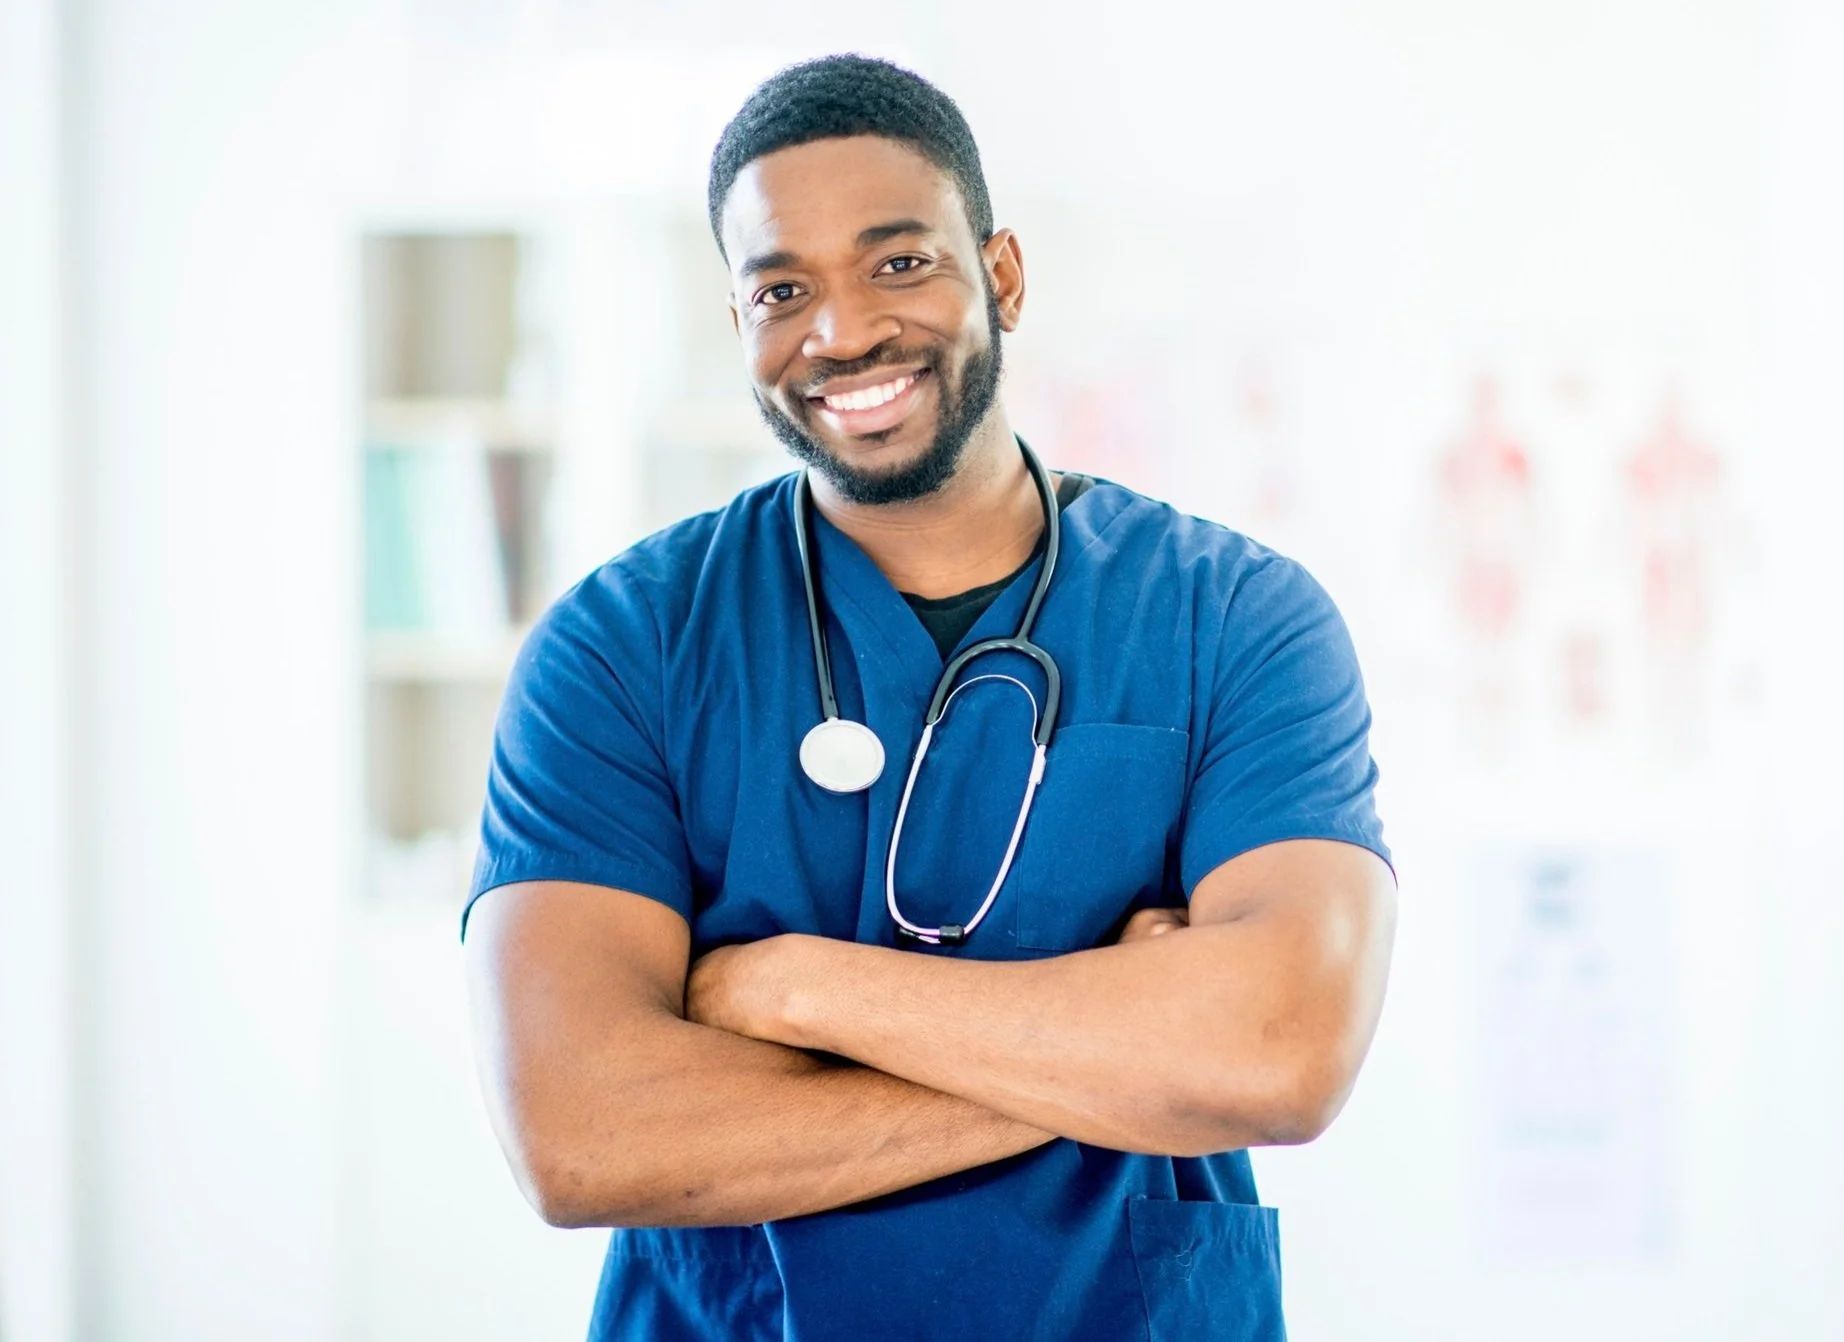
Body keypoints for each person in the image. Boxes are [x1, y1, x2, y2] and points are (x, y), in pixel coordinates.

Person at [462, 53, 1396, 1342]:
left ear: (1002, 275)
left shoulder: (1232, 618)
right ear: (738, 322)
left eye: (899, 262)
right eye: (783, 288)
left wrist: (794, 990)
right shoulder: (623, 646)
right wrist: (1117, 1059)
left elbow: (1283, 1052)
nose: (842, 332)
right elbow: (579, 1133)